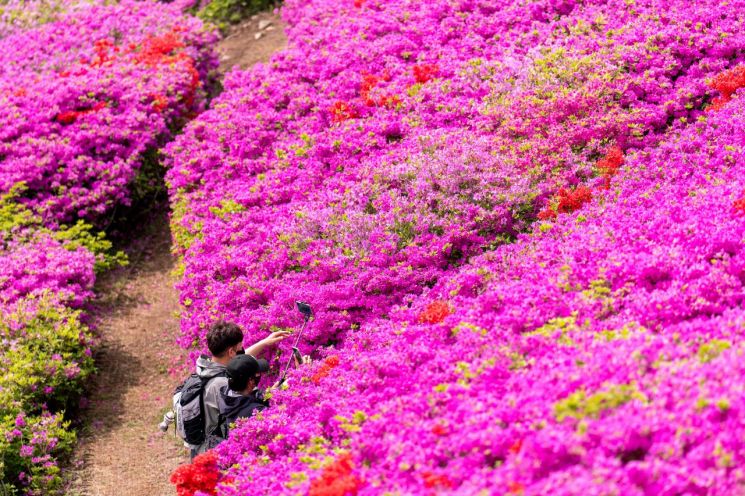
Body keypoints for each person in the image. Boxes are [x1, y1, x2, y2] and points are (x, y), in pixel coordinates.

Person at [193, 321, 290, 455]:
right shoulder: (222, 383)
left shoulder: (206, 368)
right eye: (240, 347)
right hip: (215, 449)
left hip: (201, 445)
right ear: (231, 351)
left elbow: (239, 362)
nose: (243, 350)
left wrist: (264, 342)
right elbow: (244, 407)